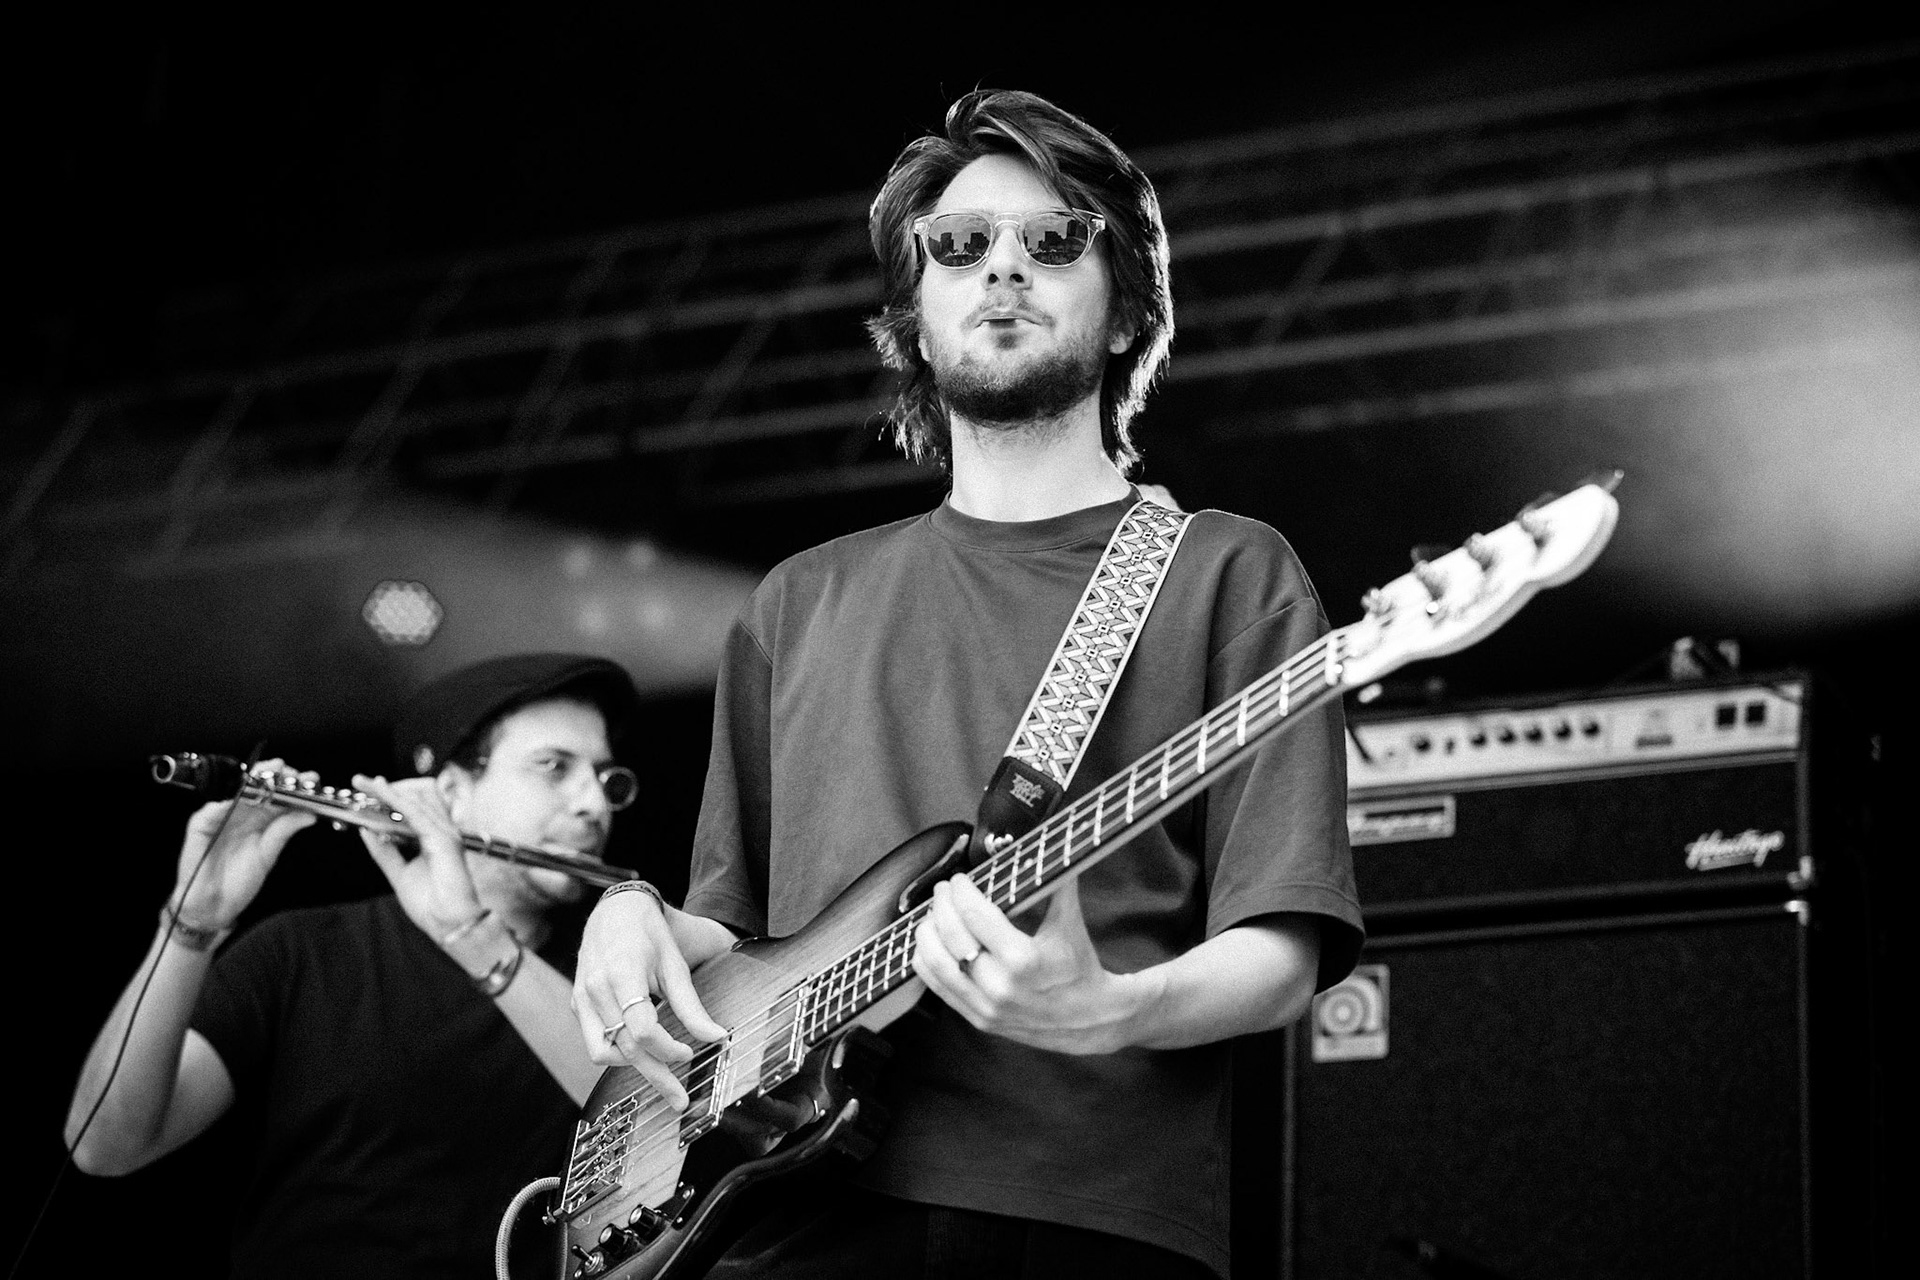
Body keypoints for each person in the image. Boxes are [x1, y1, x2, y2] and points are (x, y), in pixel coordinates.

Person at [572, 89, 1364, 1279]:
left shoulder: (1224, 571)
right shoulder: (797, 598)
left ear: (1123, 317)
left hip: (1079, 1212)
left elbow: (1283, 945)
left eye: (1054, 240)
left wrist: (1116, 1008)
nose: (1004, 268)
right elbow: (737, 936)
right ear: (914, 316)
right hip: (771, 1217)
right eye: (959, 245)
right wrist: (633, 914)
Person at [65, 652, 644, 1278]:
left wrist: (470, 936)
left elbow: (655, 1106)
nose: (596, 803)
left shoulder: (619, 963)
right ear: (450, 793)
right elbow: (107, 1146)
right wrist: (191, 924)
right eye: (555, 767)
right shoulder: (300, 953)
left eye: (605, 775)